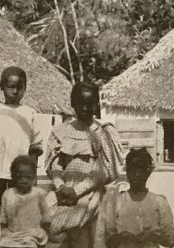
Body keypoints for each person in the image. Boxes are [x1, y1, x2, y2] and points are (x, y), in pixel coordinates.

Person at [44, 81, 126, 236]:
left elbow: (108, 171)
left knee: (64, 222)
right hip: (63, 189)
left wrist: (77, 190)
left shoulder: (103, 132)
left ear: (96, 105)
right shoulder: (62, 131)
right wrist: (61, 187)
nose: (85, 108)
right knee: (40, 213)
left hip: (90, 192)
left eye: (90, 104)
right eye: (80, 104)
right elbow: (55, 166)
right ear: (73, 104)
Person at [0, 65, 44, 206]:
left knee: (17, 211)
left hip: (21, 175)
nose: (15, 91)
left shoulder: (29, 114)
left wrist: (33, 174)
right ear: (2, 86)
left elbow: (35, 148)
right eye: (10, 86)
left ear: (25, 88)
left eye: (19, 87)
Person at [0, 155, 55, 248]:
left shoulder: (38, 193)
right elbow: (3, 216)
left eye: (28, 177)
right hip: (14, 232)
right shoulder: (8, 194)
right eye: (20, 177)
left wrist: (49, 230)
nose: (24, 181)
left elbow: (46, 214)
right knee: (1, 243)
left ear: (34, 178)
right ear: (13, 177)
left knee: (30, 243)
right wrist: (2, 228)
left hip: (32, 232)